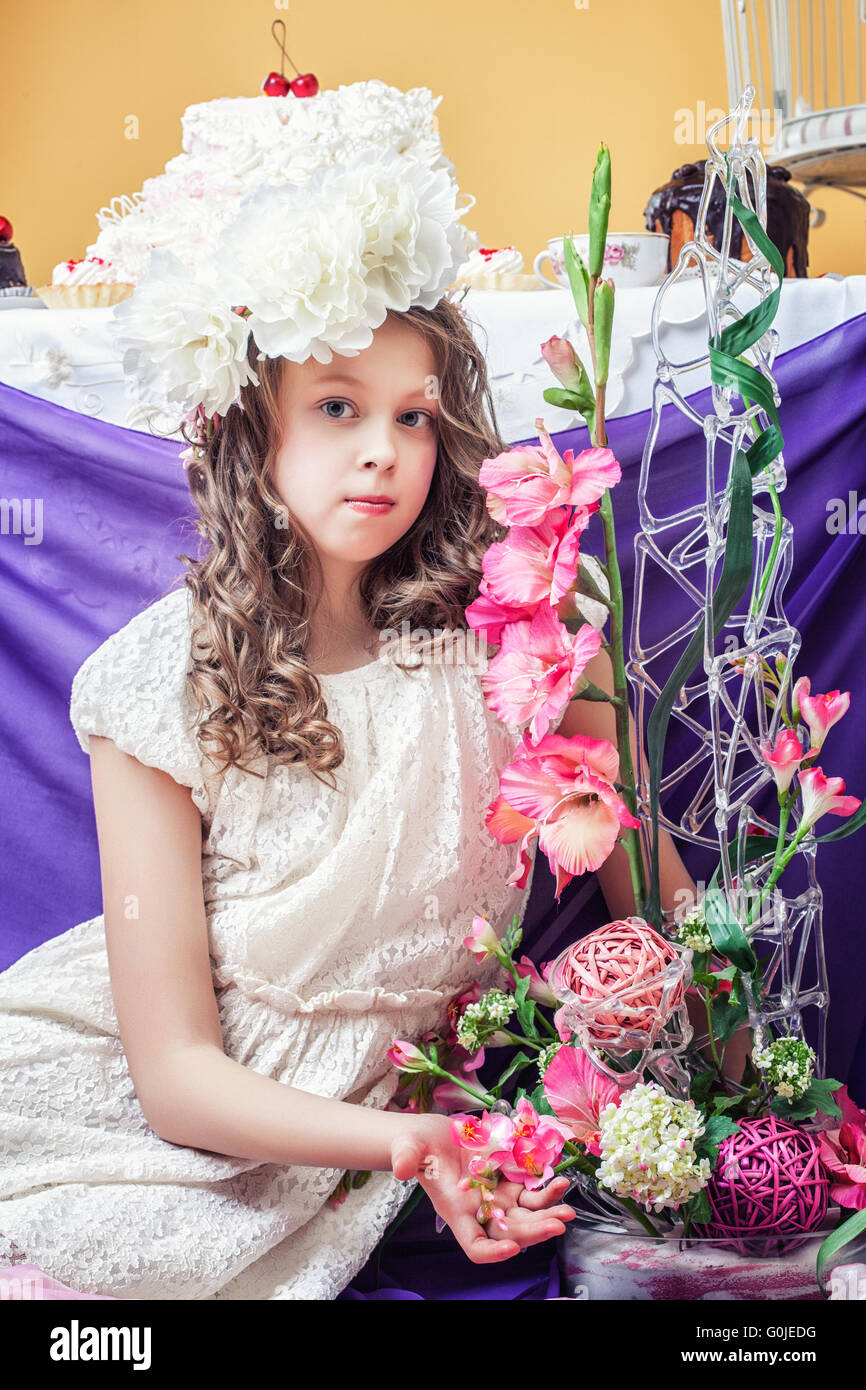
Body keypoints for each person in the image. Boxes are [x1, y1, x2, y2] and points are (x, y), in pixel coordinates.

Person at [0, 154, 721, 1302]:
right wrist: (404, 1146)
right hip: (157, 1106)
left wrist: (744, 1103)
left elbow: (652, 899)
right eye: (336, 407)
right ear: (254, 428)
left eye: (413, 416)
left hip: (390, 1114)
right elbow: (177, 1074)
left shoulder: (517, 631)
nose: (383, 448)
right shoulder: (155, 679)